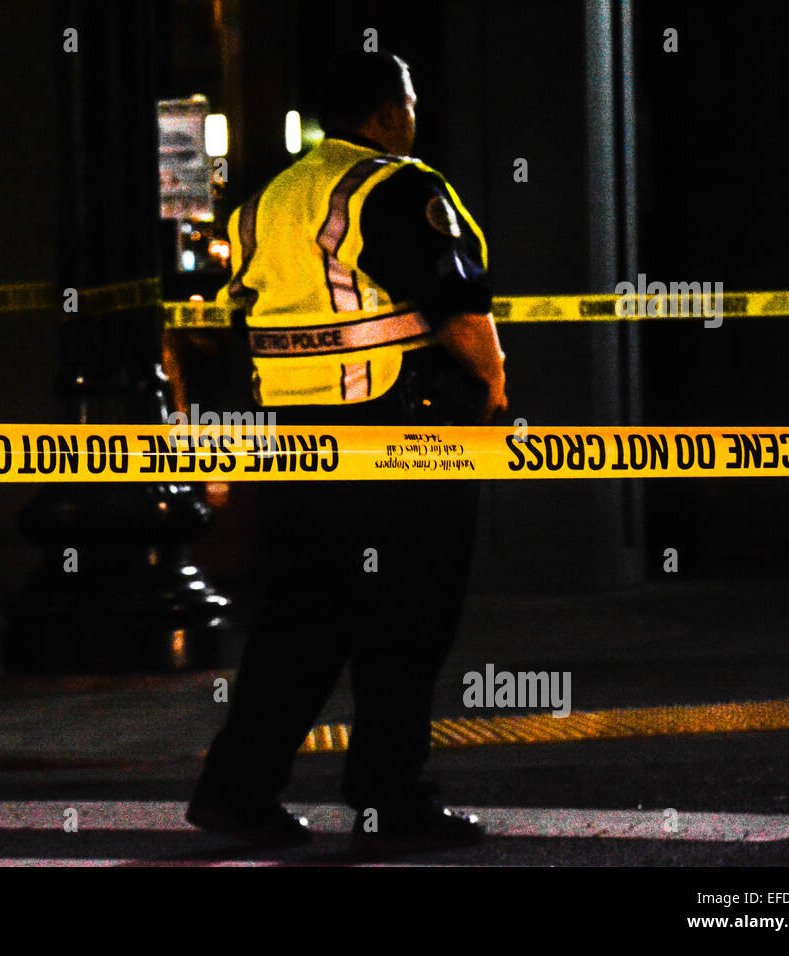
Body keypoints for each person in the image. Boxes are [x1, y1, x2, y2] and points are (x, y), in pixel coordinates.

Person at [185, 50, 508, 853]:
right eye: (409, 99)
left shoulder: (268, 200)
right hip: (400, 434)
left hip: (298, 448)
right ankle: (390, 803)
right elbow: (456, 306)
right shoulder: (399, 187)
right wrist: (494, 386)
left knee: (302, 622)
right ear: (390, 110)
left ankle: (236, 791)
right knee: (407, 618)